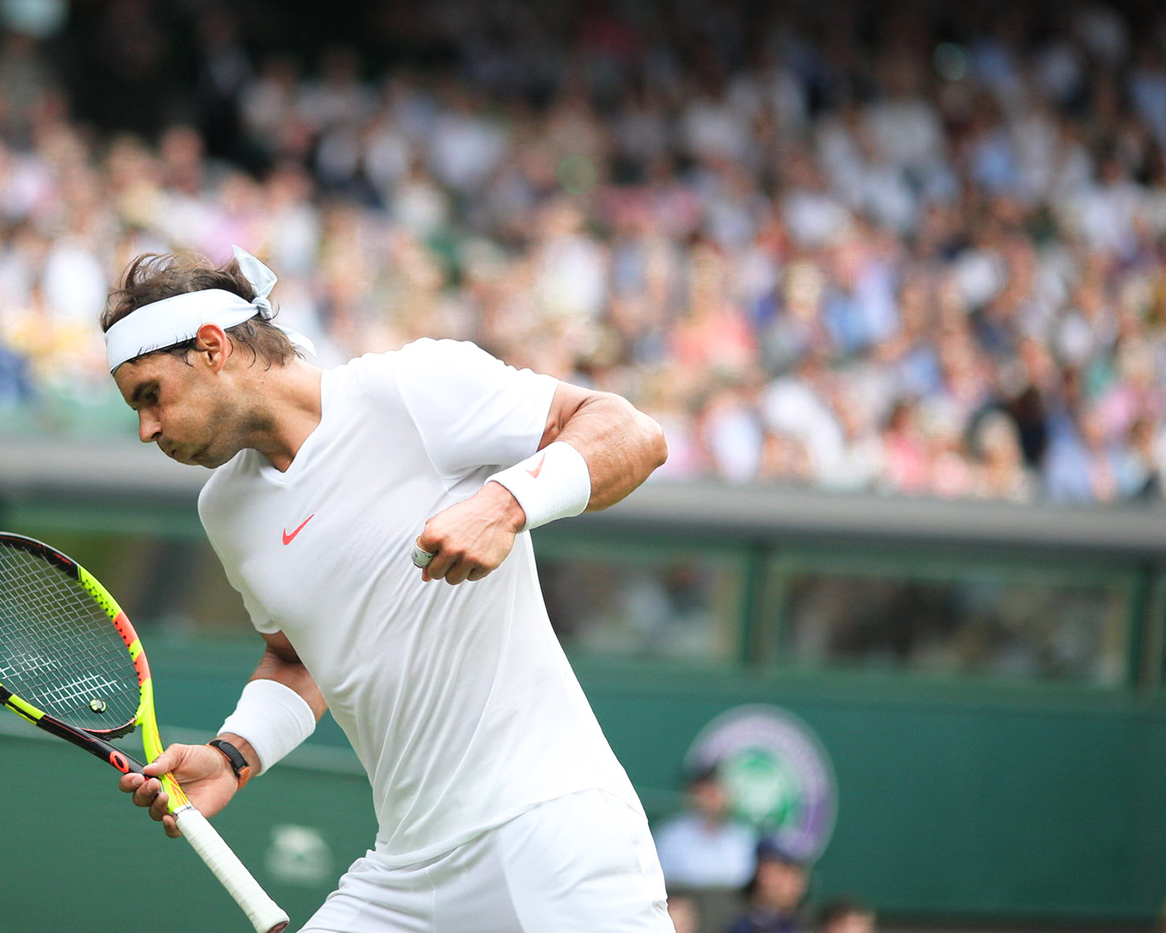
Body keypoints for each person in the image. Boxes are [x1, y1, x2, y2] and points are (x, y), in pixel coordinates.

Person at [107, 246, 671, 932]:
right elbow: (297, 655)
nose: (147, 429)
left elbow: (632, 434)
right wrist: (234, 752)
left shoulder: (412, 387)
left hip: (550, 826)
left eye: (150, 395)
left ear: (212, 347)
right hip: (405, 874)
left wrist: (505, 504)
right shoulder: (225, 509)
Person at [653, 766, 758, 933]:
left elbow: (742, 878)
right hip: (682, 914)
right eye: (705, 792)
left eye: (716, 791)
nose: (711, 798)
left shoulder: (742, 837)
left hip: (732, 917)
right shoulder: (670, 835)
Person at [725, 838, 810, 933]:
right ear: (761, 872)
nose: (794, 882)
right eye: (784, 871)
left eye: (797, 873)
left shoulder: (805, 924)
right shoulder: (739, 925)